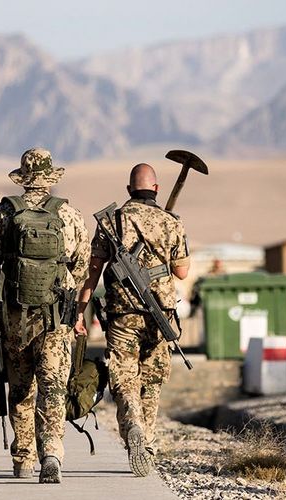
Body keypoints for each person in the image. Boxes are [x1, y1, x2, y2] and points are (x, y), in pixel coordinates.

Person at [0, 147, 89, 483]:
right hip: (56, 316)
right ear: (51, 179)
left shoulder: (4, 213)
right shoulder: (70, 214)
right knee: (52, 385)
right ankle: (51, 452)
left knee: (21, 387)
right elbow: (80, 267)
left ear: (23, 179)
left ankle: (23, 457)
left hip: (16, 314)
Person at [74, 163, 191, 477]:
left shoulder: (113, 220)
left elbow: (93, 270)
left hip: (123, 315)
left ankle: (134, 427)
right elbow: (182, 271)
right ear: (156, 190)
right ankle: (147, 444)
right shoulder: (171, 222)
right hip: (160, 315)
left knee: (125, 380)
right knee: (151, 381)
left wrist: (79, 312)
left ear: (128, 190)